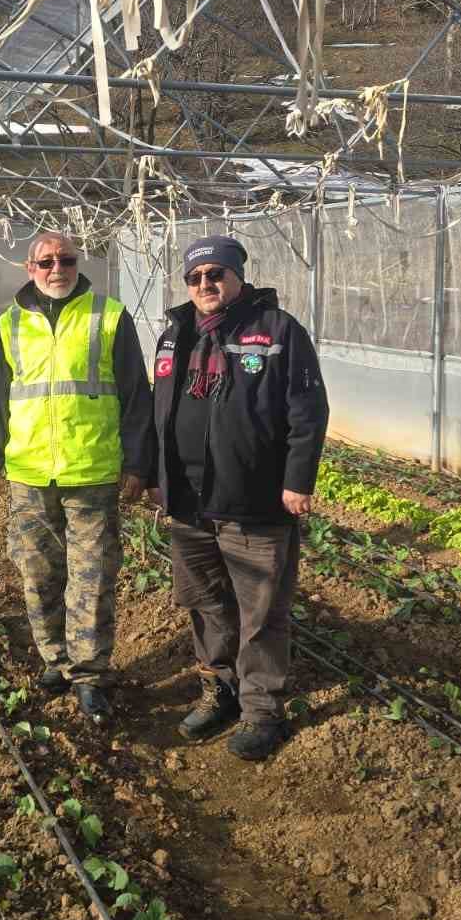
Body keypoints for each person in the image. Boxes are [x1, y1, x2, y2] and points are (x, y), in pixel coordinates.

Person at [152, 235, 328, 761]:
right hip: (187, 500)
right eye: (195, 276)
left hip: (252, 500)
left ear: (238, 277)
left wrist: (298, 480)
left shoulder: (277, 331)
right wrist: (153, 474)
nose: (205, 284)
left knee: (261, 611)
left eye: (216, 274)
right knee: (205, 604)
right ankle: (220, 691)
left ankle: (261, 712)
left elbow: (307, 410)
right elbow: (159, 409)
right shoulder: (174, 332)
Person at [0, 231, 153, 724]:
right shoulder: (11, 323)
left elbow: (137, 395)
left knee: (92, 578)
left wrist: (139, 464)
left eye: (66, 260)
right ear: (30, 268)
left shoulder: (108, 315)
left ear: (77, 264)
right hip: (30, 473)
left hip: (92, 471)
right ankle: (56, 660)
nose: (58, 268)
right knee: (38, 575)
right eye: (47, 261)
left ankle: (91, 674)